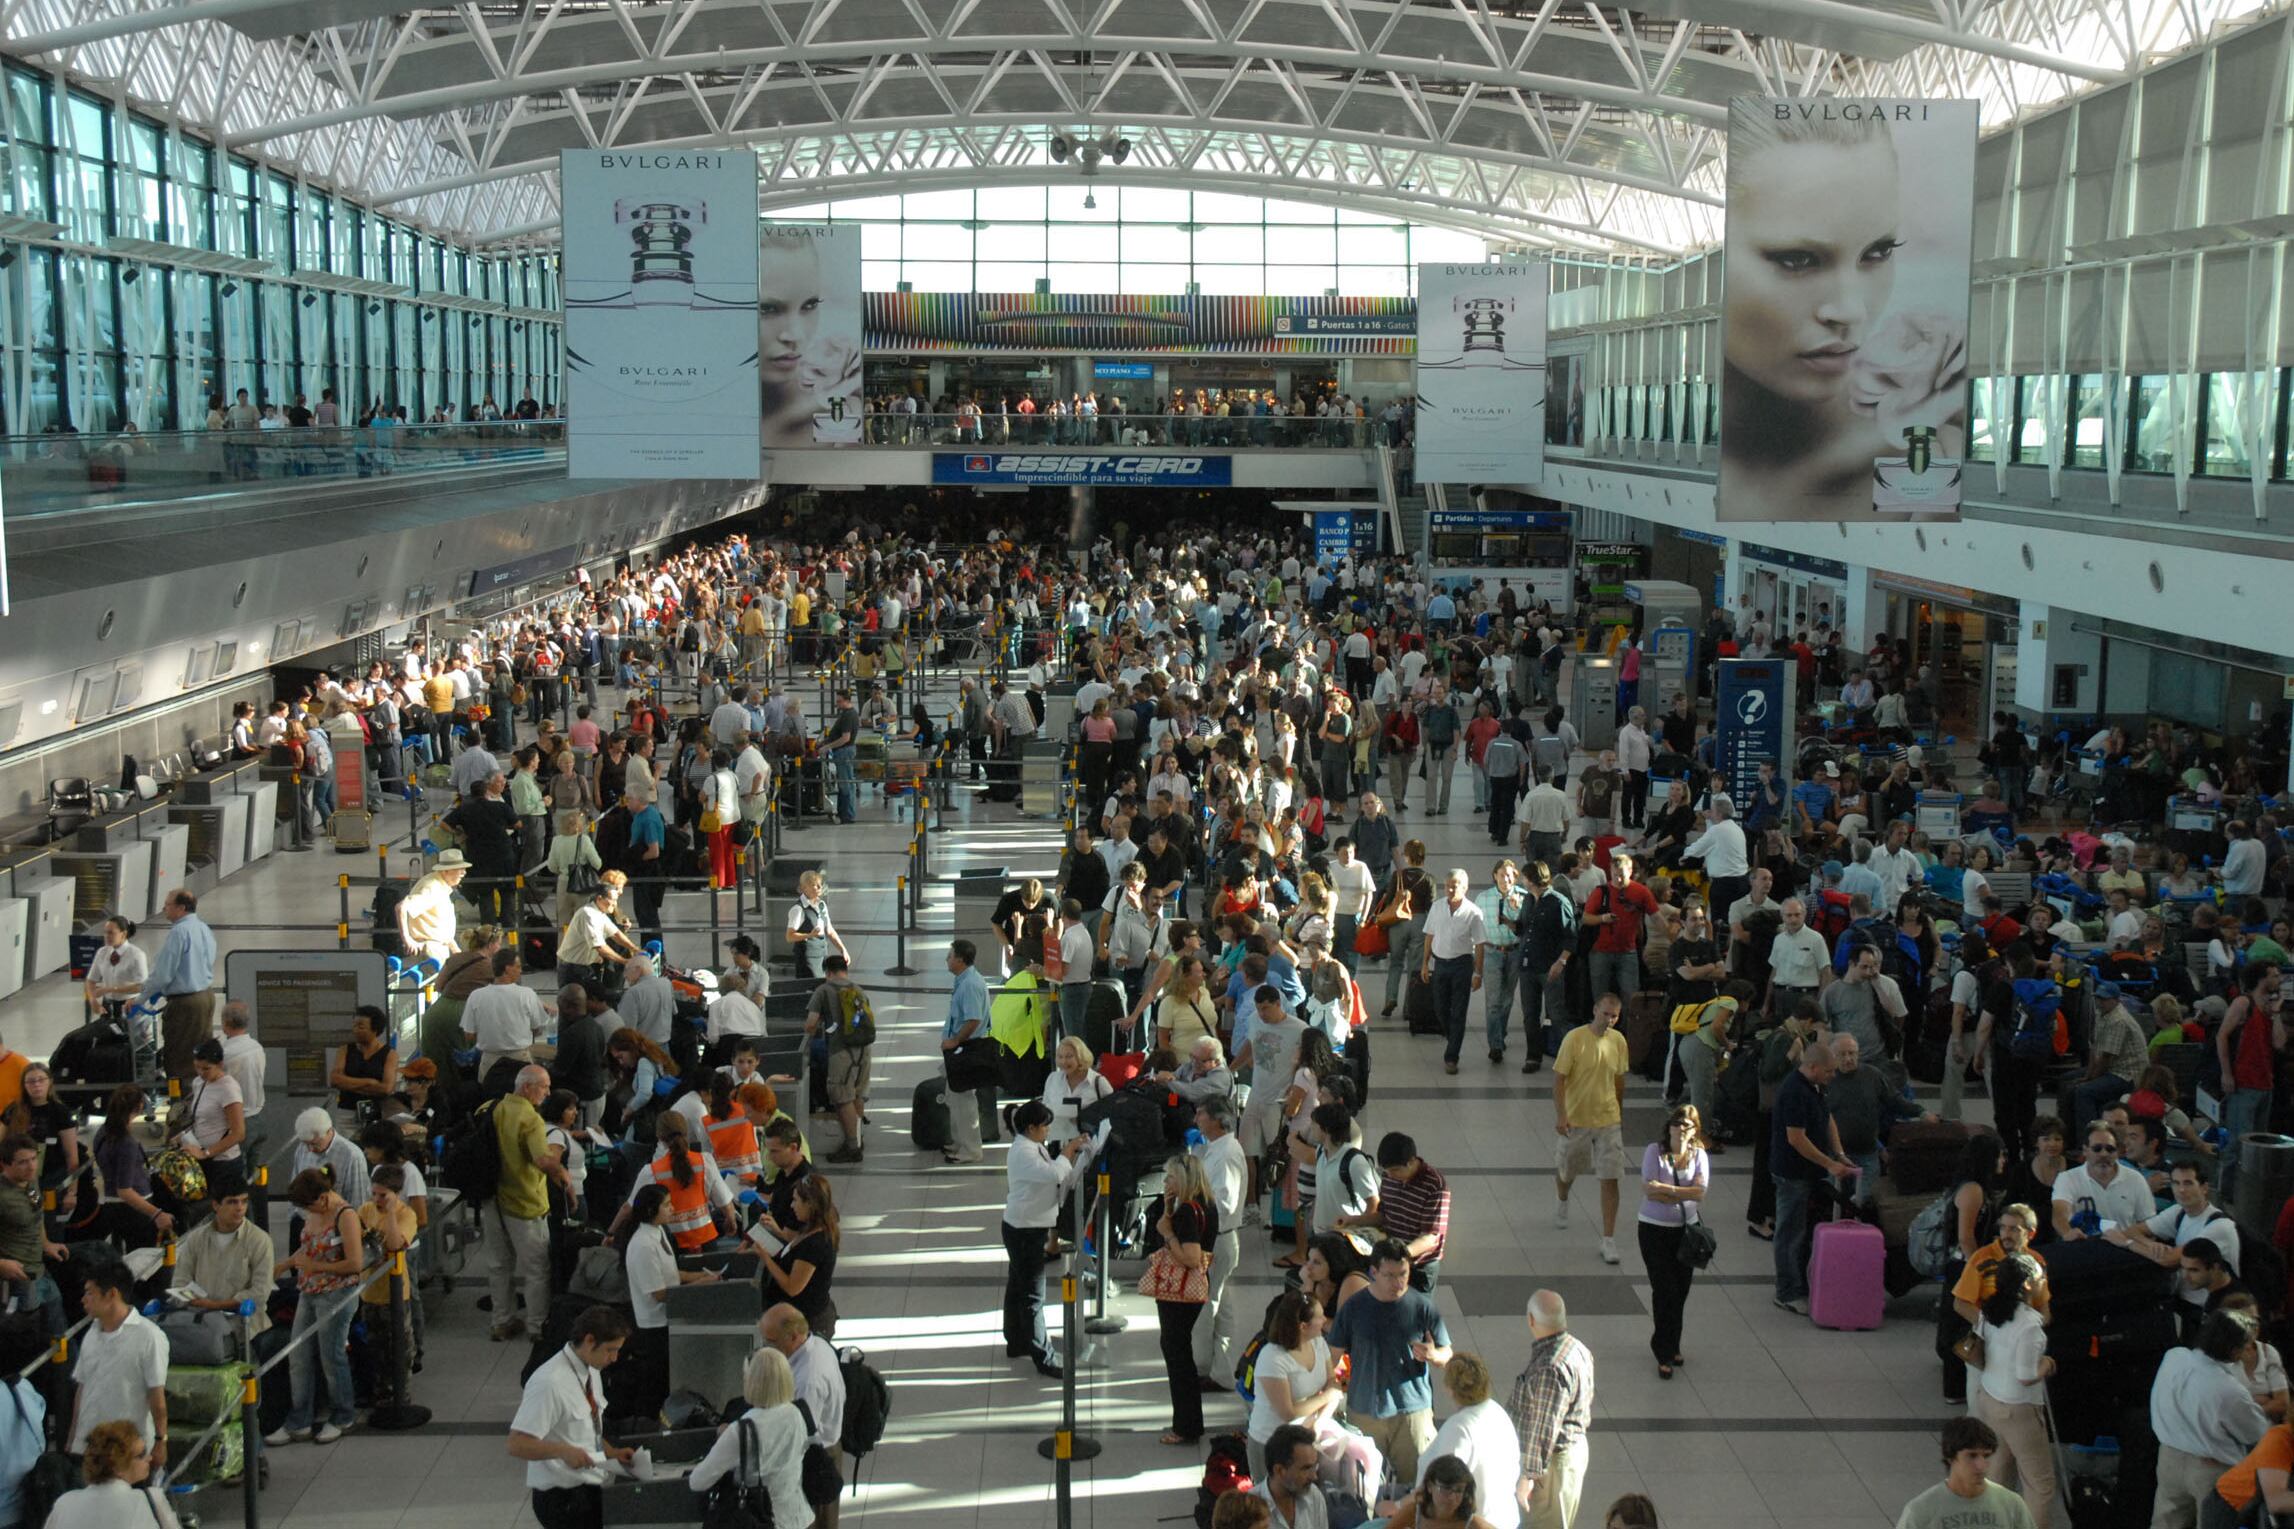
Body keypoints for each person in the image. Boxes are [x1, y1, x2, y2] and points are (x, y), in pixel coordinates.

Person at [1327, 1238, 1451, 1481]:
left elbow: (1447, 1353)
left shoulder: (1421, 1307)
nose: (1398, 1282)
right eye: (1390, 1275)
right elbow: (1332, 1356)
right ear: (1373, 1272)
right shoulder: (1354, 1307)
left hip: (1412, 1411)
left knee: (1417, 1483)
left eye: (1403, 1274)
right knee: (1363, 1487)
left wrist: (1434, 1355)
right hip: (1364, 1410)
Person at [507, 1304, 638, 1529]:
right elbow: (516, 1444)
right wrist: (562, 1451)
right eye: (610, 1350)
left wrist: (611, 1452)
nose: (615, 1358)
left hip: (590, 1489)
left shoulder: (590, 1370)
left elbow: (587, 1427)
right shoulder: (550, 1383)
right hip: (562, 1499)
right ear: (589, 1341)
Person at [266, 1168, 364, 1446]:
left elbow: (355, 1264)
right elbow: (309, 1248)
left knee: (331, 1357)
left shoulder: (345, 1216)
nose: (306, 1211)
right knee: (298, 1355)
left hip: (336, 1294)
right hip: (309, 1290)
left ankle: (343, 1414)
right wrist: (285, 1264)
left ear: (322, 1198)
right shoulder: (313, 1213)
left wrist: (316, 1267)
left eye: (307, 1206)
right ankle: (299, 1420)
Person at [2152, 1309, 2270, 1529]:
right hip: (2210, 1468)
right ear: (2234, 1350)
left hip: (2169, 1458)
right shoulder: (2228, 1390)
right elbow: (2256, 1433)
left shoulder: (2173, 1357)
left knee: (2165, 1523)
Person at [1769, 1027, 1856, 1314]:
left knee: (1803, 1232)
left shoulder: (1816, 1087)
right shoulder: (1794, 1091)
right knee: (1790, 1233)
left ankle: (1801, 1283)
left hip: (1809, 1172)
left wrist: (1839, 1153)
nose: (1833, 1076)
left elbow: (1827, 1117)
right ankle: (1787, 1291)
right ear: (1814, 1067)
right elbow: (1796, 1139)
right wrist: (1829, 1163)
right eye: (1829, 1071)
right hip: (1792, 1173)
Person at [618, 1184, 722, 1422]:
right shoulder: (643, 1245)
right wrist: (700, 1285)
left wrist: (703, 1276)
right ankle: (647, 1426)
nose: (672, 1208)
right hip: (653, 1326)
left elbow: (673, 1273)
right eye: (667, 1205)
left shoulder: (659, 1231)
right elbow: (660, 1293)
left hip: (668, 1319)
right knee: (654, 1382)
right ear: (651, 1210)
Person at [1965, 1254, 2055, 1526]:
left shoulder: (1990, 1311)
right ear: (2028, 1285)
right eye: (2040, 1278)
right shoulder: (2029, 1325)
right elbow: (2026, 1376)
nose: (2043, 1283)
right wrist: (2048, 1365)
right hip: (2019, 1410)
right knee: (2040, 1485)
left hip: (1990, 1399)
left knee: (1997, 1478)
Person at [490, 1065, 574, 1343]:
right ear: (527, 1087)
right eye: (544, 1086)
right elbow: (542, 1160)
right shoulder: (530, 1119)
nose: (548, 1093)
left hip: (493, 1197)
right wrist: (562, 1173)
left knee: (499, 1264)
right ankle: (537, 1326)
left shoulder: (498, 1108)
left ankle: (501, 1322)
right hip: (525, 1201)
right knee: (536, 1267)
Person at [1002, 1100, 1082, 1379]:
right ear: (1031, 1127)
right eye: (1044, 1126)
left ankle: (1016, 1340)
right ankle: (1044, 1357)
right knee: (1033, 1296)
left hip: (1024, 1225)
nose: (1048, 1130)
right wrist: (1069, 1151)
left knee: (1017, 1286)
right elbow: (1054, 1174)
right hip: (1024, 1229)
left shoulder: (1030, 1145)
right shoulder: (1023, 1152)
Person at [1506, 1289, 1595, 1529]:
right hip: (1567, 1455)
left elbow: (1544, 1428)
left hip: (1552, 1466)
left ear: (1531, 1320)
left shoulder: (1550, 1367)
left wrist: (1528, 1476)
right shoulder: (1577, 1348)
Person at [1553, 992, 1630, 1264]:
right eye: (1606, 1013)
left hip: (1608, 1120)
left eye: (1615, 1016)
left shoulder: (1619, 1041)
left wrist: (1618, 1112)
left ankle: (1608, 1239)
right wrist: (1562, 1115)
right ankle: (1563, 1198)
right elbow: (1559, 1079)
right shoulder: (1574, 1039)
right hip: (1577, 1119)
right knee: (1568, 1169)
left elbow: (1619, 1079)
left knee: (1610, 1176)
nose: (1609, 1019)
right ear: (1595, 1010)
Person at [67, 1259, 168, 1464]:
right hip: (89, 1447)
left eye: (90, 1292)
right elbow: (82, 1389)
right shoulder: (91, 1334)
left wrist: (161, 1441)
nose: (83, 1300)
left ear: (112, 1294)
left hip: (129, 1451)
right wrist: (73, 1438)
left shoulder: (149, 1336)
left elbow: (156, 1396)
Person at [1637, 1105, 1709, 1378]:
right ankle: (1663, 1351)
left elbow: (1700, 1193)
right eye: (1676, 1123)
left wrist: (1666, 1189)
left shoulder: (1699, 1155)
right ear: (1668, 1127)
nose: (1681, 1129)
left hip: (1686, 1232)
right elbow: (1648, 1190)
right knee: (1664, 1290)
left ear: (1695, 1131)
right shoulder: (1654, 1152)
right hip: (1653, 1230)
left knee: (1680, 1291)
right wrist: (1682, 1193)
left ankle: (1673, 1343)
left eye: (1687, 1125)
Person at [1154, 1152, 1220, 1446]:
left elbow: (1191, 1257)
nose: (1166, 1181)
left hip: (1179, 1293)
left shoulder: (1186, 1213)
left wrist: (1167, 1233)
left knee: (1176, 1352)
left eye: (1169, 1176)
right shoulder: (1206, 1204)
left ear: (1181, 1180)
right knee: (1179, 1350)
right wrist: (1169, 1208)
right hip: (1193, 1290)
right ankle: (1189, 1422)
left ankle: (1186, 1425)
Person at [1245, 1290, 1345, 1481]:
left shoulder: (1318, 1343)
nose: (1325, 1320)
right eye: (1320, 1316)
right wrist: (1326, 1396)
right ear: (1303, 1326)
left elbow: (1333, 1384)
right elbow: (1287, 1412)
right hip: (1270, 1443)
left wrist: (1319, 1423)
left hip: (1304, 1439)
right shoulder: (1272, 1357)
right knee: (1271, 1505)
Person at [1418, 1353, 1523, 1529]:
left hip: (1475, 1523)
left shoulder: (1459, 1429)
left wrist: (1399, 1507)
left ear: (1450, 1389)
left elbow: (1443, 1485)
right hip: (1506, 1519)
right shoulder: (1497, 1412)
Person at [1893, 1417, 2038, 1529]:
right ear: (1950, 1457)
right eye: (1972, 1456)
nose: (1981, 1465)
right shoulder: (1921, 1511)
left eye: (1986, 1456)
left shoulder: (2011, 1504)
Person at [44, 1420, 180, 1529]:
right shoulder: (149, 1500)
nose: (149, 1458)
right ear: (118, 1465)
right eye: (141, 1454)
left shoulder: (65, 1503)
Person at [141, 889, 217, 1082]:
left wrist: (139, 1000)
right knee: (201, 1053)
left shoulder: (179, 932)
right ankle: (200, 1098)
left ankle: (183, 1104)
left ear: (181, 908)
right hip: (206, 997)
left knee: (180, 1058)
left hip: (185, 1004)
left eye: (167, 905)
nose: (164, 909)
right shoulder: (203, 928)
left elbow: (162, 974)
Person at [805, 955, 874, 1162]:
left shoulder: (823, 990)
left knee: (842, 1098)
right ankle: (858, 1138)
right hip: (864, 1050)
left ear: (827, 972)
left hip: (841, 1052)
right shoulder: (859, 990)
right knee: (857, 1094)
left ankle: (851, 1147)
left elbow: (811, 1024)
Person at [1419, 868, 1488, 1076]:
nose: (1450, 889)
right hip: (1441, 964)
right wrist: (1425, 962)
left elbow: (1480, 945)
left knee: (1458, 1011)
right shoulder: (1437, 907)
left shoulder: (1473, 912)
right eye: (1447, 885)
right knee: (1440, 1008)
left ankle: (1452, 1056)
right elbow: (1429, 936)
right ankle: (1453, 1036)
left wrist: (1478, 973)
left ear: (1465, 887)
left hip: (1462, 965)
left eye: (1455, 885)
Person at [760, 1172, 840, 1338]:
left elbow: (792, 1287)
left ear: (809, 1204)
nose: (792, 1205)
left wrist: (765, 1257)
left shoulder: (816, 1244)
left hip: (809, 1322)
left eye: (796, 1200)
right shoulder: (811, 1227)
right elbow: (796, 1244)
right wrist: (777, 1231)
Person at [2052, 1118, 2157, 1241]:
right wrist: (2067, 1232)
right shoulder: (2067, 1178)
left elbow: (2148, 1224)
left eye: (2110, 1149)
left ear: (2117, 1151)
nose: (2104, 1154)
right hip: (2084, 1249)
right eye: (2097, 1149)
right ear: (2085, 1150)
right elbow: (2060, 1214)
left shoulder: (2135, 1179)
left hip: (2125, 1250)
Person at [939, 940, 993, 1166]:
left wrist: (954, 1041)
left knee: (964, 1100)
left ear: (960, 959)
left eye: (950, 955)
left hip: (966, 1048)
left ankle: (971, 1149)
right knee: (954, 1096)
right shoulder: (965, 980)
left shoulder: (970, 984)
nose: (947, 959)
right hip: (960, 1048)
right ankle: (959, 1141)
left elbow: (973, 1019)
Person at [1387, 1455, 1500, 1529]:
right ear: (1429, 1486)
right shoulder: (1413, 1513)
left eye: (1459, 1490)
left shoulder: (1473, 1524)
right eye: (1445, 1489)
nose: (1452, 1497)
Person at [1254, 1423, 1332, 1529]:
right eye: (1306, 1468)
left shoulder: (1314, 1496)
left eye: (1314, 1467)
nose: (1314, 1477)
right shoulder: (1248, 1510)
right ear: (1280, 1470)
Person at [330, 1003, 400, 1116]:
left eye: (361, 1027)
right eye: (354, 1026)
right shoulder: (344, 1050)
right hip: (346, 1112)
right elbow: (335, 1080)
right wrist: (369, 1082)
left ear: (375, 1030)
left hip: (376, 1113)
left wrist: (348, 1084)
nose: (355, 1030)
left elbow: (386, 1088)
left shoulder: (390, 1054)